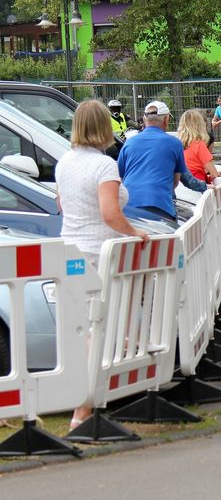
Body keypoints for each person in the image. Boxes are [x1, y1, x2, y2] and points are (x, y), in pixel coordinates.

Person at [54, 99, 150, 430]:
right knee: (103, 329)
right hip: (98, 253)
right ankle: (85, 408)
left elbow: (62, 204)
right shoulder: (103, 166)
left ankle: (83, 402)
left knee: (82, 331)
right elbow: (110, 213)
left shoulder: (64, 162)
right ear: (104, 127)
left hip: (69, 251)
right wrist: (135, 232)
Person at [118, 100, 188, 221]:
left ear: (145, 119)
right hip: (160, 206)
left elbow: (120, 177)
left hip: (128, 207)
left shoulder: (129, 143)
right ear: (166, 119)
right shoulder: (175, 144)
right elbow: (175, 181)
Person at [178, 109, 221, 183]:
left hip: (180, 188)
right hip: (197, 188)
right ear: (200, 125)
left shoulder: (177, 145)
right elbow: (214, 173)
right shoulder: (199, 145)